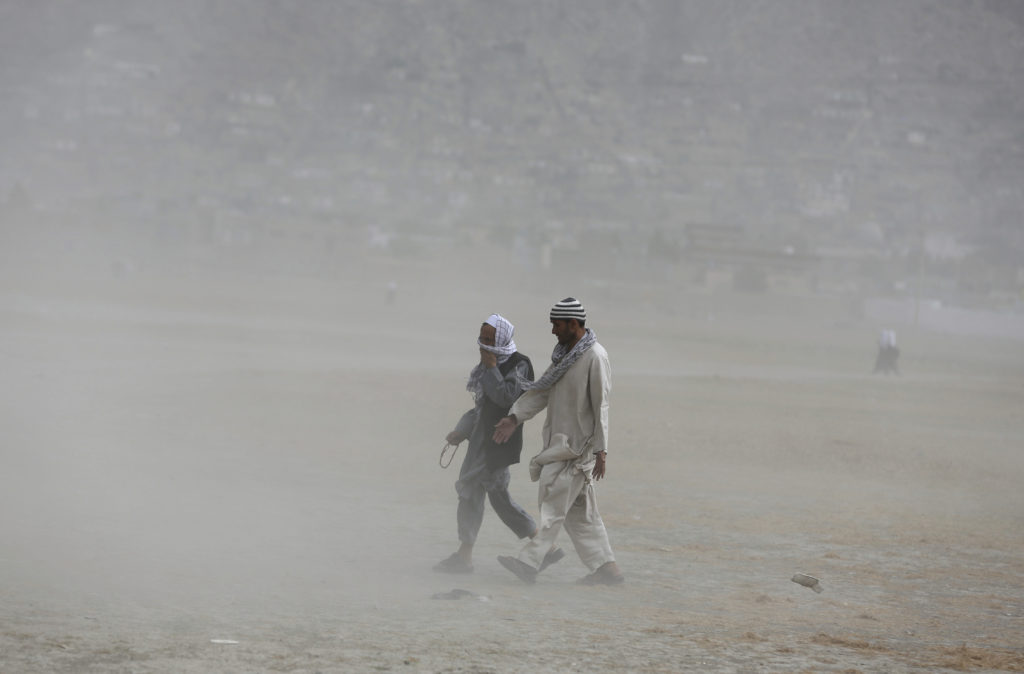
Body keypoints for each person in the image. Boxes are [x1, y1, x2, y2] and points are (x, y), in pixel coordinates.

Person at [492, 297, 624, 585]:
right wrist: (515, 418)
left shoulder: (595, 357)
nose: (553, 330)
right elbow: (543, 391)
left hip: (576, 449)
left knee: (552, 504)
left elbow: (601, 405)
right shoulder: (565, 356)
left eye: (557, 324)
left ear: (573, 324)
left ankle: (529, 562)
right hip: (560, 443)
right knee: (581, 515)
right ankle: (607, 569)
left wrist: (601, 450)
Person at [434, 314, 562, 574]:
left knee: (477, 492)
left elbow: (505, 398)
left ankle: (466, 556)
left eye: (490, 339)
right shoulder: (487, 365)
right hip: (481, 441)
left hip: (498, 443)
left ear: (503, 338)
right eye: (482, 338)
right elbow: (482, 407)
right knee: (486, 494)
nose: (484, 344)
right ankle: (541, 548)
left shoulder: (519, 364)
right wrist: (462, 430)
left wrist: (491, 367)